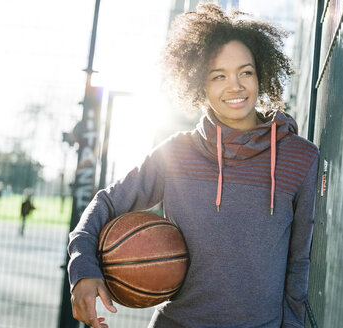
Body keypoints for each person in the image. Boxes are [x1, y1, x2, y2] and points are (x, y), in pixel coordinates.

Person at [68, 3, 319, 328]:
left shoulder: (299, 157)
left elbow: (299, 264)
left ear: (262, 73)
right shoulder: (176, 153)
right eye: (219, 76)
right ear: (199, 83)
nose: (236, 86)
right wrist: (83, 270)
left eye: (246, 71)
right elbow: (106, 202)